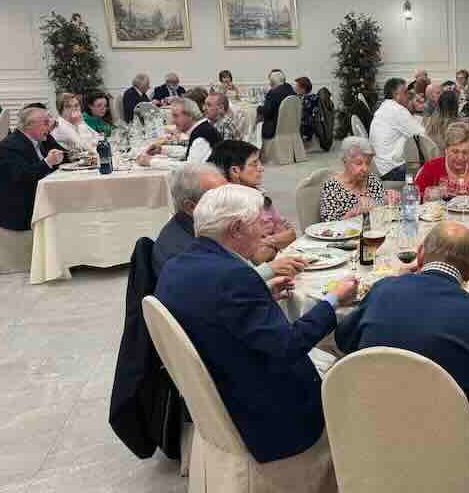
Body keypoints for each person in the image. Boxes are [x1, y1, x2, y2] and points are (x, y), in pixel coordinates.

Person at [154, 184, 358, 464]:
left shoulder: (176, 266)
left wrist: (262, 295)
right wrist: (333, 300)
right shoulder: (235, 276)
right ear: (236, 229)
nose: (266, 231)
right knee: (354, 375)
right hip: (266, 413)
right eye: (259, 223)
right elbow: (289, 345)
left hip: (217, 388)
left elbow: (212, 312)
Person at [336, 221, 469, 460]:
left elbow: (344, 340)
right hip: (442, 447)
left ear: (420, 254)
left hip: (370, 429)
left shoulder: (383, 290)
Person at [152, 163, 305, 279]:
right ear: (191, 207)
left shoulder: (197, 228)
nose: (231, 198)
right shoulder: (187, 250)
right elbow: (222, 286)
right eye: (219, 196)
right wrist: (267, 270)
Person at [208, 140, 296, 264]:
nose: (261, 168)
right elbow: (258, 258)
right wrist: (278, 241)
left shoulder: (259, 194)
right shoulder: (229, 207)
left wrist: (266, 241)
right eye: (254, 164)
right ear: (235, 171)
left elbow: (291, 235)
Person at [0, 104, 65, 231]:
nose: (49, 127)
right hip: (18, 212)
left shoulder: (38, 139)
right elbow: (23, 177)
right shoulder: (10, 147)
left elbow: (61, 156)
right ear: (30, 125)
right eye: (45, 123)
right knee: (70, 206)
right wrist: (47, 162)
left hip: (34, 199)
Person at [319, 137, 391, 222]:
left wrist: (389, 199)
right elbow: (328, 224)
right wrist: (351, 214)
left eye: (368, 163)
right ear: (345, 161)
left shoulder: (371, 179)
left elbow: (383, 206)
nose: (365, 169)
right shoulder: (332, 187)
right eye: (358, 163)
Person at [415, 122, 469, 199]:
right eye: (455, 151)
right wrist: (431, 194)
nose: (460, 157)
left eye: (465, 152)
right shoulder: (431, 168)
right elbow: (415, 196)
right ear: (446, 149)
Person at [370, 77, 426, 182]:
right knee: (429, 167)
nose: (408, 96)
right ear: (396, 95)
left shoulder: (386, 106)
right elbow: (422, 134)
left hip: (382, 167)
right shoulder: (397, 110)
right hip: (393, 171)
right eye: (405, 92)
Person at [137, 98, 219, 168]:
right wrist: (162, 150)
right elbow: (190, 152)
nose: (172, 121)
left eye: (175, 116)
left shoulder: (201, 136)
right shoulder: (202, 128)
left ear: (190, 115)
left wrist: (152, 162)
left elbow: (189, 168)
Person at [260, 70, 295, 140]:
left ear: (272, 82)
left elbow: (267, 113)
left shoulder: (273, 93)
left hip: (275, 129)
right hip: (291, 127)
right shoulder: (291, 90)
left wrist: (259, 109)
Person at [294, 76, 319, 142]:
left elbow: (301, 114)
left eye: (296, 86)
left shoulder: (306, 99)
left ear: (303, 88)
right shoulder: (314, 97)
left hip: (305, 127)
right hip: (310, 126)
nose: (295, 88)